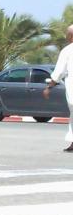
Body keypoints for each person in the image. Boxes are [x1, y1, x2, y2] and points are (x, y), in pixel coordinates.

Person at [42, 24, 73, 152]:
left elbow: (59, 72)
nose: (66, 36)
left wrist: (49, 87)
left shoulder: (67, 51)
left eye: (67, 33)